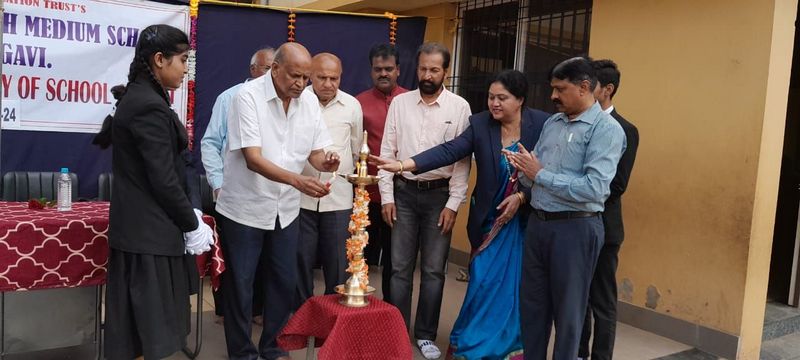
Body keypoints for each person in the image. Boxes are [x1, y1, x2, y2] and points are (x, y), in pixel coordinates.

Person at [372, 69, 549, 360]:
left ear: (520, 100)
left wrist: (522, 196)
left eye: (502, 98)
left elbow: (550, 170)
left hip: (524, 223)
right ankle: (475, 342)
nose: (494, 103)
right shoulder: (481, 125)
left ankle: (510, 346)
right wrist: (404, 165)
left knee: (517, 287)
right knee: (483, 282)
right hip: (490, 220)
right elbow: (448, 151)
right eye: (491, 97)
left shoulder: (541, 124)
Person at [214, 42, 339, 360]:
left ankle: (273, 347)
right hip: (245, 207)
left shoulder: (308, 101)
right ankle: (242, 353)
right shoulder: (247, 97)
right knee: (241, 285)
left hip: (285, 209)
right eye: (294, 76)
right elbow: (253, 159)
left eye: (305, 77)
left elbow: (315, 153)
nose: (300, 83)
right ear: (275, 69)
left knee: (284, 280)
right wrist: (299, 181)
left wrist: (327, 162)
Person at [103, 24, 214, 360]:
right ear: (159, 59)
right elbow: (163, 179)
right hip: (148, 235)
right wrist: (191, 223)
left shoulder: (143, 97)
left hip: (144, 230)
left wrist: (189, 213)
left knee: (143, 330)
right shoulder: (147, 105)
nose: (185, 69)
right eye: (182, 60)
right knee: (149, 330)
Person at [504, 57, 625, 359]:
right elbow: (536, 171)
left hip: (576, 228)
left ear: (584, 87)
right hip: (539, 225)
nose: (553, 96)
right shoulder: (553, 124)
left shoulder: (606, 130)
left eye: (560, 89)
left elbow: (596, 188)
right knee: (532, 308)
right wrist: (521, 167)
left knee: (569, 314)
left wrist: (539, 174)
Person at [378, 42, 471, 360]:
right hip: (403, 194)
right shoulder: (400, 103)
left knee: (433, 270)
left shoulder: (459, 108)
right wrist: (387, 196)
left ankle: (426, 335)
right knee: (399, 269)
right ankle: (396, 331)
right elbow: (387, 151)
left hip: (439, 197)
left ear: (446, 71)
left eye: (434, 69)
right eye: (423, 68)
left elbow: (462, 160)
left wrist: (453, 204)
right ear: (415, 69)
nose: (428, 74)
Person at [201, 47, 275, 326]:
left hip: (270, 196)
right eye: (267, 68)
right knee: (235, 262)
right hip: (234, 194)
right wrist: (218, 184)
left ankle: (256, 310)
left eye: (274, 68)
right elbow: (210, 143)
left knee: (264, 262)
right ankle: (229, 314)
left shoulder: (279, 101)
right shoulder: (230, 97)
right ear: (253, 69)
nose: (271, 74)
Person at [578, 59, 639, 360]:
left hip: (604, 227)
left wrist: (576, 191)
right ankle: (578, 352)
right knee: (578, 298)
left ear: (607, 90)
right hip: (575, 226)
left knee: (602, 301)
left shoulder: (626, 130)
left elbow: (617, 185)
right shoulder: (575, 123)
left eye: (590, 84)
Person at [295, 53, 363, 307]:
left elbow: (356, 150)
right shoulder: (298, 101)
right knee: (300, 259)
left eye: (334, 78)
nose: (328, 83)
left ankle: (332, 314)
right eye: (322, 77)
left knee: (337, 261)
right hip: (302, 196)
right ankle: (303, 312)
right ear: (310, 75)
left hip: (339, 197)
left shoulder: (352, 106)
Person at [356, 43, 408, 301]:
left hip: (402, 195)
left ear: (398, 70)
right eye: (378, 69)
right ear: (371, 71)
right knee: (360, 253)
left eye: (389, 69)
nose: (383, 73)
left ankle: (390, 311)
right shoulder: (358, 104)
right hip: (366, 195)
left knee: (395, 259)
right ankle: (358, 304)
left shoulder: (411, 101)